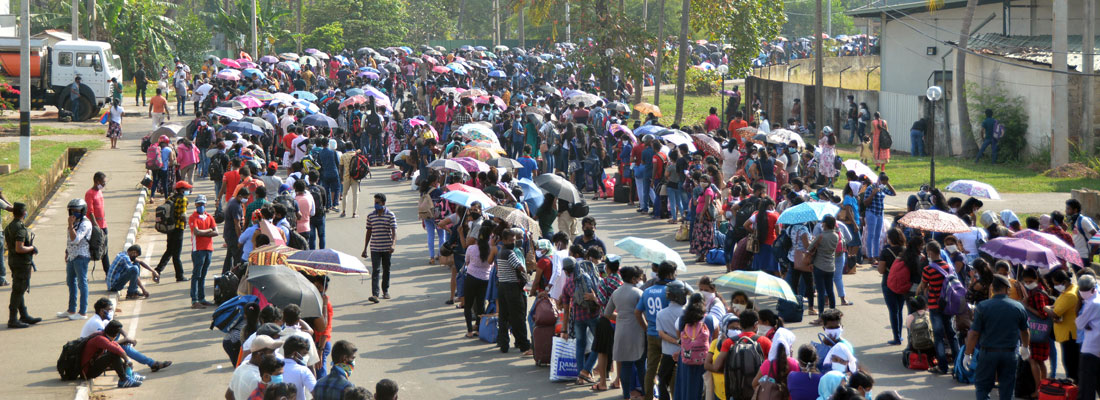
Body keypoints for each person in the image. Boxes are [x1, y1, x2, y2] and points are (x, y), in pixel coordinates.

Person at [964, 274, 1030, 400]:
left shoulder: (982, 306)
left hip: (988, 353)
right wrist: (1025, 347)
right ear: (1007, 289)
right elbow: (1025, 331)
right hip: (1010, 353)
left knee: (983, 387)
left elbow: (974, 334)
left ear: (992, 289)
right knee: (1007, 388)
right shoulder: (1018, 307)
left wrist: (968, 353)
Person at [80, 297, 171, 372]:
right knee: (122, 347)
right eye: (109, 310)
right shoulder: (97, 323)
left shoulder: (101, 319)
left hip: (98, 347)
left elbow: (116, 327)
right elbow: (106, 343)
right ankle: (151, 363)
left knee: (119, 339)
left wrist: (126, 336)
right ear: (101, 311)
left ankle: (150, 363)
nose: (110, 312)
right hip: (90, 353)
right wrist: (125, 341)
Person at [605, 266, 646, 399]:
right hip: (636, 331)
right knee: (640, 364)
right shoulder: (638, 293)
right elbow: (642, 314)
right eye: (639, 277)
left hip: (621, 331)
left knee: (625, 365)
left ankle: (626, 395)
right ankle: (646, 393)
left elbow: (607, 313)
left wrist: (621, 317)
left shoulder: (616, 292)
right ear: (633, 278)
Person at [637, 261, 677, 400]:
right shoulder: (669, 291)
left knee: (651, 368)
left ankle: (648, 396)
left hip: (651, 334)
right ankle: (673, 395)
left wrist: (646, 327)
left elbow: (637, 311)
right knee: (672, 368)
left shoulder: (648, 290)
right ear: (670, 274)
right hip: (667, 336)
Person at [495, 228, 531, 354]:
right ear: (504, 240)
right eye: (510, 240)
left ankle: (503, 344)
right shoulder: (509, 253)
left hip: (502, 287)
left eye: (514, 240)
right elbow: (520, 266)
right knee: (518, 317)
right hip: (512, 287)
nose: (513, 242)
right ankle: (524, 344)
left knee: (503, 316)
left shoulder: (500, 252)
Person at [81, 319, 143, 387]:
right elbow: (116, 349)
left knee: (114, 354)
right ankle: (124, 379)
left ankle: (129, 374)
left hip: (89, 367)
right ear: (115, 335)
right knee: (113, 355)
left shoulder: (102, 334)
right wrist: (128, 361)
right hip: (87, 372)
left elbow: (115, 345)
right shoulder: (100, 339)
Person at [6, 202, 38, 328]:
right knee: (18, 290)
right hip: (21, 263)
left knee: (19, 289)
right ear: (24, 213)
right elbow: (19, 248)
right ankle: (13, 319)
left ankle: (23, 314)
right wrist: (31, 248)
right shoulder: (19, 228)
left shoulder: (10, 226)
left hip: (13, 261)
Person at [60, 198, 93, 320]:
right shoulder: (74, 222)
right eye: (71, 210)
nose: (73, 213)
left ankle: (83, 312)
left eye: (76, 210)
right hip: (72, 256)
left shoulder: (85, 223)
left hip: (81, 257)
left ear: (83, 210)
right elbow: (69, 239)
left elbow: (75, 239)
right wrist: (67, 252)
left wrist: (70, 225)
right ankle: (71, 309)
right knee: (70, 282)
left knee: (82, 283)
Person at [655, 280, 688, 400]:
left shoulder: (661, 314)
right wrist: (680, 342)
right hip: (685, 353)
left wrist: (675, 341)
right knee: (682, 381)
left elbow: (661, 334)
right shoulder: (687, 313)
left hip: (668, 353)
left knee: (662, 380)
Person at [1045, 268, 1080, 381]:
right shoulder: (1072, 289)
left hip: (1069, 335)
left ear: (1064, 282)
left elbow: (1055, 313)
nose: (1055, 286)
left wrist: (1045, 307)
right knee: (1071, 364)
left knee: (1070, 365)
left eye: (1056, 284)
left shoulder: (1069, 294)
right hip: (1068, 332)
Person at [362, 193, 396, 303]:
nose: (376, 204)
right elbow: (369, 232)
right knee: (375, 270)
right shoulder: (371, 216)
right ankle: (375, 294)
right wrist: (365, 248)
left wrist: (393, 244)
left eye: (378, 203)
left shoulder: (390, 215)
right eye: (375, 202)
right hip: (375, 248)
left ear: (383, 203)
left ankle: (385, 291)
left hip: (387, 248)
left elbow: (394, 232)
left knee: (386, 269)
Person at [228, 335, 283, 400]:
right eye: (272, 352)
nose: (274, 355)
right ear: (260, 354)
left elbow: (228, 395)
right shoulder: (259, 379)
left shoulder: (241, 367)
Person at [156, 181, 190, 282]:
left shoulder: (171, 198)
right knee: (176, 254)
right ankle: (180, 276)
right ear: (182, 189)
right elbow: (183, 215)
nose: (187, 191)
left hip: (170, 228)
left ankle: (158, 270)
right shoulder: (183, 199)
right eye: (186, 189)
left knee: (169, 250)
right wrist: (186, 224)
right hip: (178, 228)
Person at [189, 194, 218, 308]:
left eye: (202, 204)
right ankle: (194, 300)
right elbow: (197, 232)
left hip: (208, 249)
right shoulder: (193, 217)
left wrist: (204, 232)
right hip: (198, 250)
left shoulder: (209, 216)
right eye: (199, 204)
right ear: (196, 204)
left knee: (203, 275)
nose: (201, 206)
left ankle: (201, 298)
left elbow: (216, 232)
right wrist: (209, 230)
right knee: (196, 275)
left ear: (205, 204)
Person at [809, 215, 840, 319]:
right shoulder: (836, 235)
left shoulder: (821, 236)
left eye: (823, 222)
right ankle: (833, 313)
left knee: (821, 292)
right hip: (830, 266)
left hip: (819, 265)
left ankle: (821, 315)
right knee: (830, 290)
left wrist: (814, 241)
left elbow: (810, 248)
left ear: (825, 224)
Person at [1076, 274, 1100, 399]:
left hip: (1090, 348)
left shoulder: (1092, 303)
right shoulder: (1096, 299)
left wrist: (1079, 306)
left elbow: (1079, 324)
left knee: (1086, 386)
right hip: (1096, 347)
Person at [85, 172, 110, 268]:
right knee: (91, 250)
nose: (104, 184)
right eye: (103, 182)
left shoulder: (99, 192)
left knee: (105, 249)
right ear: (97, 181)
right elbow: (90, 212)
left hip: (103, 224)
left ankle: (108, 272)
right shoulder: (89, 194)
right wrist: (96, 227)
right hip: (95, 227)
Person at [280, 335, 316, 400]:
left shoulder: (274, 366)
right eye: (304, 354)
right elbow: (318, 394)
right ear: (295, 354)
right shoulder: (303, 370)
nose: (306, 357)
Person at [223, 188, 249, 274]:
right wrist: (240, 239)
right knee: (237, 258)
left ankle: (225, 274)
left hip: (228, 234)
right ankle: (236, 276)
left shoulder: (232, 201)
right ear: (240, 196)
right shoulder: (236, 206)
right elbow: (237, 224)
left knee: (229, 256)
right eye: (245, 197)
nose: (246, 200)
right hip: (233, 235)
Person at [1066, 198, 1097, 267]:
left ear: (1075, 210)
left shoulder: (1083, 220)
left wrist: (1092, 254)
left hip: (1084, 256)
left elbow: (1097, 236)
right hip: (1075, 255)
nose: (1066, 211)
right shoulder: (1074, 220)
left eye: (1068, 209)